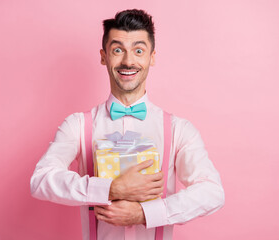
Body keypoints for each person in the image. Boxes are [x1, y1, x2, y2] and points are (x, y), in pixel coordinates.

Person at [30, 9, 225, 240]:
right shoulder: (77, 125)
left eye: (139, 50)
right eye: (118, 50)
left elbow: (212, 192)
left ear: (151, 57)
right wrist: (109, 189)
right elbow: (40, 180)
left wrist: (145, 213)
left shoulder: (179, 130)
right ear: (104, 56)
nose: (128, 61)